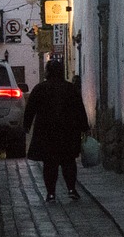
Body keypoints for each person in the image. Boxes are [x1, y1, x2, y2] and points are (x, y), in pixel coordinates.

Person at [23, 58, 90, 202]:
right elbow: (79, 109)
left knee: (50, 164)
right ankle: (71, 189)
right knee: (68, 162)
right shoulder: (70, 89)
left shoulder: (40, 88)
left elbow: (30, 109)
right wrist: (84, 127)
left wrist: (26, 125)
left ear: (48, 72)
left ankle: (51, 193)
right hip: (68, 132)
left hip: (47, 132)